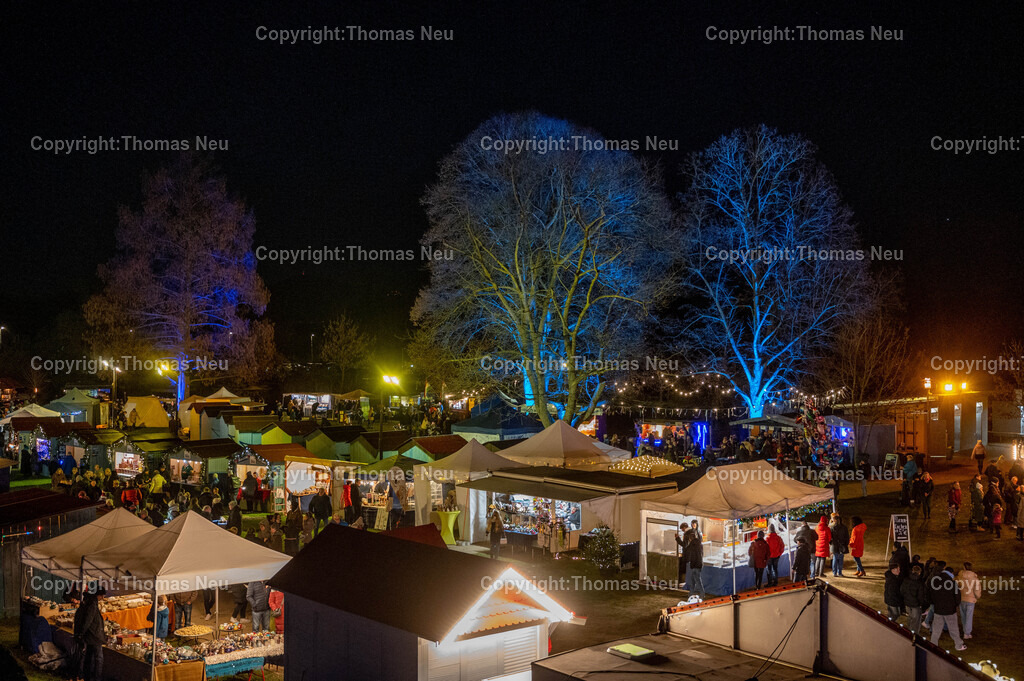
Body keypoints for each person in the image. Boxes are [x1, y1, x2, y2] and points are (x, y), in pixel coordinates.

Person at [928, 562, 966, 651]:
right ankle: (958, 645)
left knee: (936, 629)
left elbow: (930, 595)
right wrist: (955, 605)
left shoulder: (935, 582)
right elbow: (957, 597)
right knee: (953, 629)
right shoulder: (953, 583)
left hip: (938, 609)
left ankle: (933, 645)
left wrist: (934, 603)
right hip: (950, 610)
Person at [73, 586, 105, 681]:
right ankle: (96, 678)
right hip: (94, 635)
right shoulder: (92, 604)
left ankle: (87, 676)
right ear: (99, 595)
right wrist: (82, 633)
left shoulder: (87, 602)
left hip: (90, 635)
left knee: (89, 656)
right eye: (102, 596)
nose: (103, 598)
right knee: (98, 658)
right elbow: (88, 620)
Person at [900, 565, 928, 635]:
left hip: (907, 602)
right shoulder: (920, 582)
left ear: (912, 571)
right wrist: (922, 604)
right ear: (919, 572)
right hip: (916, 604)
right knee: (916, 620)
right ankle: (914, 634)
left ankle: (909, 631)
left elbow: (902, 590)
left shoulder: (906, 579)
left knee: (910, 617)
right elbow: (921, 595)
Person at [957, 561, 980, 640]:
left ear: (964, 567)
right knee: (969, 617)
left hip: (962, 598)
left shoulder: (960, 577)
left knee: (963, 616)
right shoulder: (975, 578)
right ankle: (967, 633)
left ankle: (965, 631)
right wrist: (977, 597)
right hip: (970, 600)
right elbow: (977, 590)